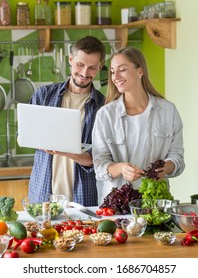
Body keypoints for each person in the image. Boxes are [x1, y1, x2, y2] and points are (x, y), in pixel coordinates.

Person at [92, 47, 185, 204]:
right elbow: (99, 165)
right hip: (117, 205)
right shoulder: (106, 114)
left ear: (139, 71)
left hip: (156, 203)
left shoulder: (168, 111)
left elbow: (178, 158)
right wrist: (121, 168)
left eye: (122, 70)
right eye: (113, 72)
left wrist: (166, 168)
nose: (116, 77)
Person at [28, 36, 106, 206]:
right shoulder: (43, 96)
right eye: (80, 64)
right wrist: (46, 142)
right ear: (71, 59)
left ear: (99, 67)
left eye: (92, 67)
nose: (85, 73)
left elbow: (98, 159)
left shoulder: (103, 106)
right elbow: (25, 134)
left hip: (83, 197)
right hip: (43, 195)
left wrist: (64, 150)